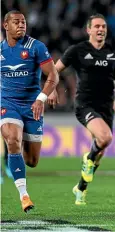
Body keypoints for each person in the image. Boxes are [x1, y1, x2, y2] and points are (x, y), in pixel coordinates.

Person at [50, 14, 115, 205]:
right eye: (97, 26)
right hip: (85, 105)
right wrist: (51, 90)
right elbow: (53, 70)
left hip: (106, 106)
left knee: (100, 151)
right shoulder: (77, 50)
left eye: (103, 27)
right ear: (89, 30)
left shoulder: (113, 52)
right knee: (106, 137)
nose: (101, 29)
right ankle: (88, 158)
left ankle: (81, 188)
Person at [0, 10, 59, 212]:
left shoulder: (36, 47)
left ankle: (14, 158)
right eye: (16, 22)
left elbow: (53, 75)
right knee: (12, 140)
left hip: (32, 105)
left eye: (23, 22)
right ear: (5, 26)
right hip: (8, 103)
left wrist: (43, 97)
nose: (21, 25)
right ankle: (24, 195)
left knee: (32, 161)